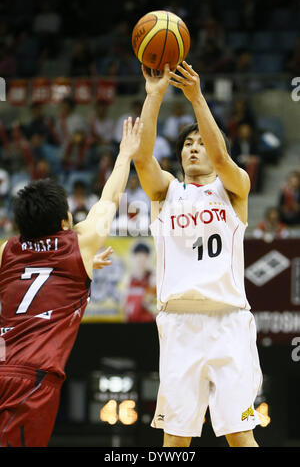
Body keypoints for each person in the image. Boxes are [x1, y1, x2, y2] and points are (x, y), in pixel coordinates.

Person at [133, 62, 263, 448]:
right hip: (179, 324)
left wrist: (196, 97)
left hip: (228, 323)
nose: (193, 147)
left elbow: (223, 161)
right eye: (188, 144)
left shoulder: (234, 188)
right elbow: (142, 159)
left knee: (240, 436)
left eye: (201, 143)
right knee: (175, 441)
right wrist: (154, 94)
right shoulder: (167, 192)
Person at [0, 116, 143, 447]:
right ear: (65, 221)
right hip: (32, 378)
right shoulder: (81, 242)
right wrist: (125, 154)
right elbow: (109, 199)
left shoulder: (6, 249)